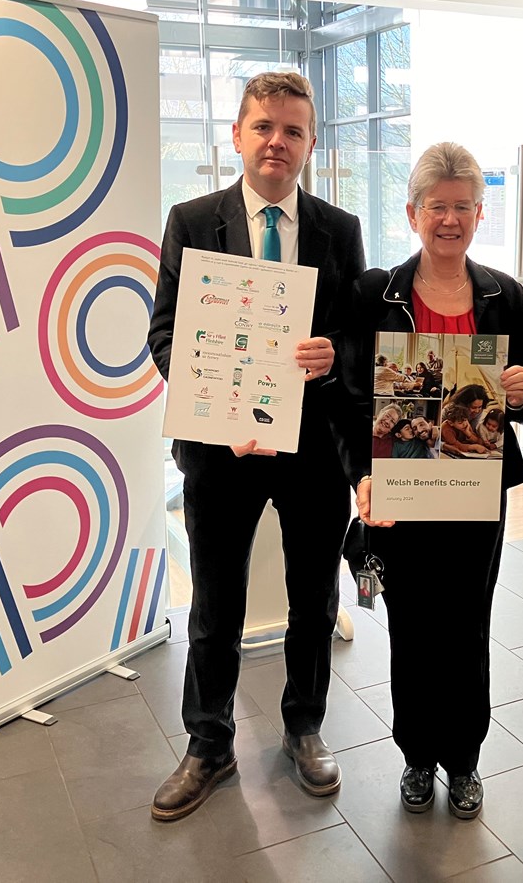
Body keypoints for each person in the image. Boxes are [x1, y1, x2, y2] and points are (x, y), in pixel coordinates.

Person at [147, 71, 366, 822]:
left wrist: (332, 353)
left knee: (314, 599)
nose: (278, 141)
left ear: (310, 143)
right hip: (220, 453)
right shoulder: (191, 219)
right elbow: (165, 336)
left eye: (294, 130)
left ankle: (304, 729)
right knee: (216, 602)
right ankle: (207, 743)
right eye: (264, 126)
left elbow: (357, 336)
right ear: (236, 136)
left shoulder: (340, 229)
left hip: (312, 452)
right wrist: (215, 405)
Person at [335, 142, 523, 819]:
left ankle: (465, 758)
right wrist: (362, 476)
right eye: (435, 206)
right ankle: (417, 756)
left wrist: (522, 388)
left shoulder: (504, 295)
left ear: (480, 213)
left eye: (461, 207)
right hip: (400, 492)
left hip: (477, 493)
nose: (448, 220)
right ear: (413, 211)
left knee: (466, 624)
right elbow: (350, 398)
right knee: (410, 625)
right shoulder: (373, 292)